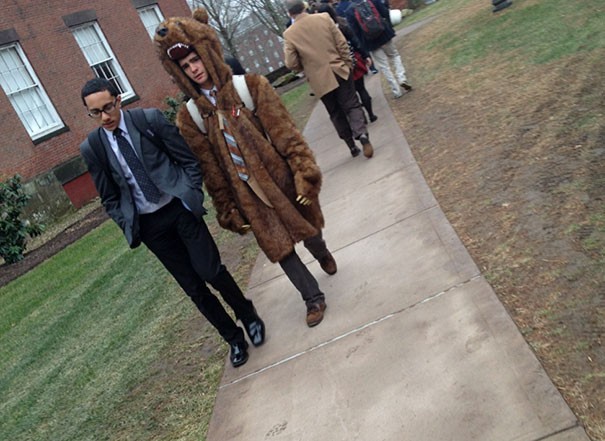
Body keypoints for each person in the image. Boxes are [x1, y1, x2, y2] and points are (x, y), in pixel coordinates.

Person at [154, 8, 337, 327]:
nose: (194, 69)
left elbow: (286, 134)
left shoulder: (248, 87)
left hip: (280, 179)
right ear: (179, 73)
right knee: (280, 248)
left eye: (196, 60)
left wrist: (304, 172)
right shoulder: (191, 117)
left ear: (208, 53)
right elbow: (210, 170)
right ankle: (312, 298)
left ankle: (320, 250)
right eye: (186, 66)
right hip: (247, 192)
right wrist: (227, 208)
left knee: (308, 227)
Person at [79, 78, 264, 368]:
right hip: (151, 227)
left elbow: (187, 159)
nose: (104, 116)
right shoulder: (93, 147)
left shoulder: (148, 120)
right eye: (95, 112)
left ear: (118, 100)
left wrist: (190, 193)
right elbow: (109, 197)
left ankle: (248, 315)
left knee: (211, 271)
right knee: (193, 288)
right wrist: (124, 221)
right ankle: (233, 338)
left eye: (108, 107)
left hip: (177, 209)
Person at [283, 0, 374, 159]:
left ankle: (351, 145)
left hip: (318, 78)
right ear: (304, 7)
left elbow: (291, 63)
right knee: (352, 105)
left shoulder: (289, 34)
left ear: (290, 13)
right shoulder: (324, 18)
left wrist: (304, 67)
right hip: (339, 69)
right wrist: (347, 64)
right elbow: (342, 43)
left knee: (335, 112)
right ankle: (361, 133)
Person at [316, 2, 378, 123]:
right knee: (361, 89)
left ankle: (361, 118)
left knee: (350, 96)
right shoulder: (342, 23)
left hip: (337, 64)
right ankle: (371, 114)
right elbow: (355, 41)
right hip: (353, 59)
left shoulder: (322, 31)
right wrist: (365, 55)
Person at [345, 0, 412, 98]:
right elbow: (385, 12)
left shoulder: (349, 11)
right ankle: (402, 78)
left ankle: (396, 90)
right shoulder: (372, 0)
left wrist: (364, 48)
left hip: (370, 41)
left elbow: (355, 32)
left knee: (384, 66)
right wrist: (389, 26)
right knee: (394, 56)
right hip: (384, 34)